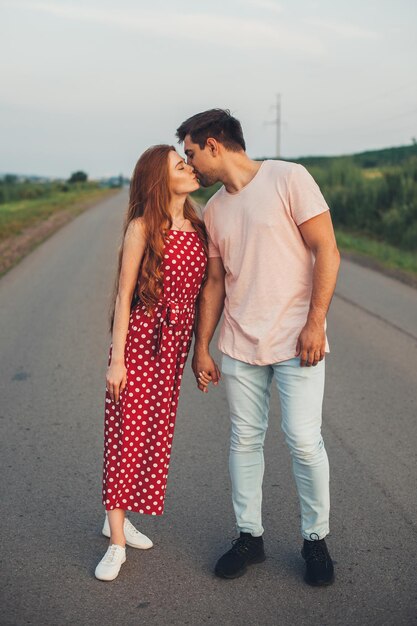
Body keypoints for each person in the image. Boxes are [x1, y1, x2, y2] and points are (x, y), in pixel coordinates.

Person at [176, 109, 340, 586]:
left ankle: (316, 540)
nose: (190, 166)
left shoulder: (289, 177)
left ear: (213, 145)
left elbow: (327, 250)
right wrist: (201, 348)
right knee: (244, 441)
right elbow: (213, 284)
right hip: (240, 344)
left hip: (297, 340)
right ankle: (250, 537)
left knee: (304, 442)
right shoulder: (214, 211)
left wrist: (316, 323)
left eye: (191, 154)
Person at [95, 145, 207, 581]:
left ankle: (115, 516)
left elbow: (203, 294)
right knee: (125, 434)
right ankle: (116, 542)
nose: (190, 168)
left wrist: (201, 350)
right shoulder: (143, 227)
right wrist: (117, 361)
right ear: (161, 181)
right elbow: (124, 297)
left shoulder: (198, 225)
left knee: (153, 436)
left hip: (174, 349)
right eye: (181, 166)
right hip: (141, 341)